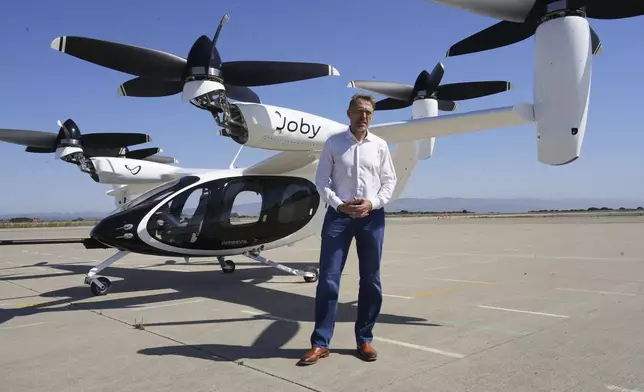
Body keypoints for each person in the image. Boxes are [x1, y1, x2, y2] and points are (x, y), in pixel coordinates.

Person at [297, 93, 397, 366]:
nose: (364, 116)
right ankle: (320, 343)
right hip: (338, 218)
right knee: (329, 279)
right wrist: (341, 206)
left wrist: (372, 203)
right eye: (360, 111)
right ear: (349, 113)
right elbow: (322, 181)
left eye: (369, 112)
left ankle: (364, 338)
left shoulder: (380, 145)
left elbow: (389, 182)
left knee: (371, 280)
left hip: (371, 217)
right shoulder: (333, 143)